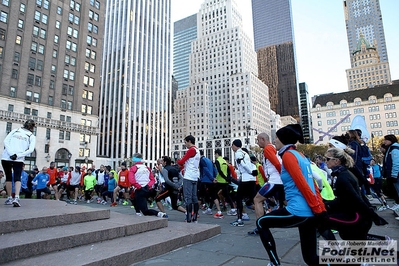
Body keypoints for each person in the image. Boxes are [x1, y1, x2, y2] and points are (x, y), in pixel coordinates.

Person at [256, 124, 326, 266]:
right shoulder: (300, 155)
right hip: (309, 212)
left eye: (277, 138)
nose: (274, 141)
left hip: (298, 211)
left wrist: (319, 210)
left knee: (260, 222)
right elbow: (312, 184)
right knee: (311, 258)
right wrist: (319, 208)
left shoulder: (288, 156)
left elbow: (303, 184)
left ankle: (274, 262)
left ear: (283, 140)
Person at [322, 148, 387, 241]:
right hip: (357, 215)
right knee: (352, 240)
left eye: (327, 159)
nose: (325, 161)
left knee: (321, 221)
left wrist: (374, 216)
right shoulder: (344, 173)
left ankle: (384, 244)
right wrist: (327, 204)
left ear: (336, 161)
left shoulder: (343, 177)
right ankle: (384, 242)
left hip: (356, 217)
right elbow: (345, 199)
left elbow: (357, 199)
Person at [248, 133, 284, 236]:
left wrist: (283, 176)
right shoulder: (272, 148)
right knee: (285, 202)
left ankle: (260, 226)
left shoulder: (268, 149)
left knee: (257, 200)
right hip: (278, 181)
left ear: (263, 139)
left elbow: (277, 164)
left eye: (258, 140)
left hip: (274, 181)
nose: (257, 143)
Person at [2, 119, 36, 207]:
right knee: (17, 178)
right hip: (18, 158)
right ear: (32, 127)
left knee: (8, 177)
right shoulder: (31, 136)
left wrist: (11, 153)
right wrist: (18, 155)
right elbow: (30, 150)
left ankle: (10, 197)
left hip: (7, 156)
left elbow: (6, 141)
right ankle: (16, 197)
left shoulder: (15, 131)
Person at [128, 153, 167, 218]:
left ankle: (159, 214)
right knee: (134, 198)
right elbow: (152, 180)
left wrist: (139, 187)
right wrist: (147, 186)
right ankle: (137, 213)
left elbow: (131, 180)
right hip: (147, 189)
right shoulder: (147, 168)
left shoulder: (133, 168)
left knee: (145, 211)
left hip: (139, 190)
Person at [230, 139, 257, 227]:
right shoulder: (245, 153)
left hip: (246, 178)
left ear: (234, 145)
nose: (231, 147)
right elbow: (250, 163)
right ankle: (263, 215)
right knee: (254, 199)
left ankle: (240, 219)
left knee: (238, 198)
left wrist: (250, 172)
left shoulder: (238, 153)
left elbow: (243, 164)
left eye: (232, 145)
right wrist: (253, 172)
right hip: (251, 179)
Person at [177, 135, 201, 223]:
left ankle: (188, 217)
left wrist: (178, 161)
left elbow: (181, 161)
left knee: (187, 197)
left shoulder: (191, 150)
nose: (185, 144)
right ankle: (194, 217)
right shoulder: (197, 150)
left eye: (185, 142)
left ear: (189, 141)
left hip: (188, 176)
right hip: (195, 176)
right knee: (194, 197)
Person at [199, 150, 224, 219]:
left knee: (199, 196)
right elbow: (214, 169)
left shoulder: (202, 160)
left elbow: (205, 170)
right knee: (214, 195)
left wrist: (212, 178)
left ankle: (194, 212)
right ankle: (218, 211)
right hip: (211, 180)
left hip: (205, 180)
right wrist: (214, 178)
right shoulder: (209, 160)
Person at [382, 134, 399, 211]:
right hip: (392, 174)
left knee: (397, 189)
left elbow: (396, 162)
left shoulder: (394, 149)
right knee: (395, 189)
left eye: (386, 140)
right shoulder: (390, 148)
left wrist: (394, 174)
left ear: (390, 140)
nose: (384, 141)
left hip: (396, 174)